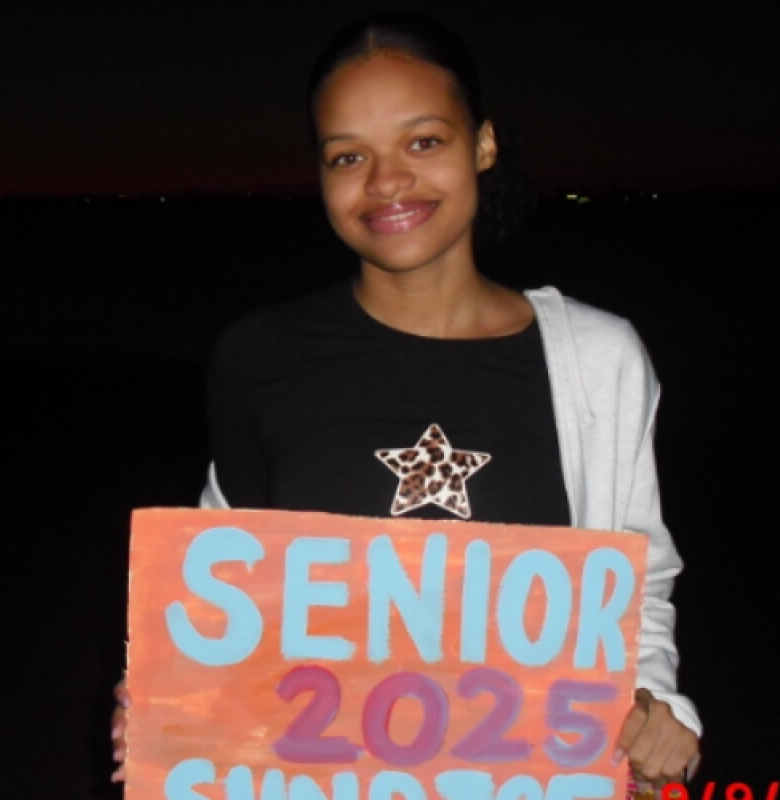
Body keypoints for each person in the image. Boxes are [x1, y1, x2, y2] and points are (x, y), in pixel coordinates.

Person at [112, 11, 701, 791]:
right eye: (348, 155)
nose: (385, 182)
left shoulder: (599, 361)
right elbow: (225, 590)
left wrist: (658, 705)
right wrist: (171, 702)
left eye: (423, 142)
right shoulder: (259, 358)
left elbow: (635, 583)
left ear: (482, 145)